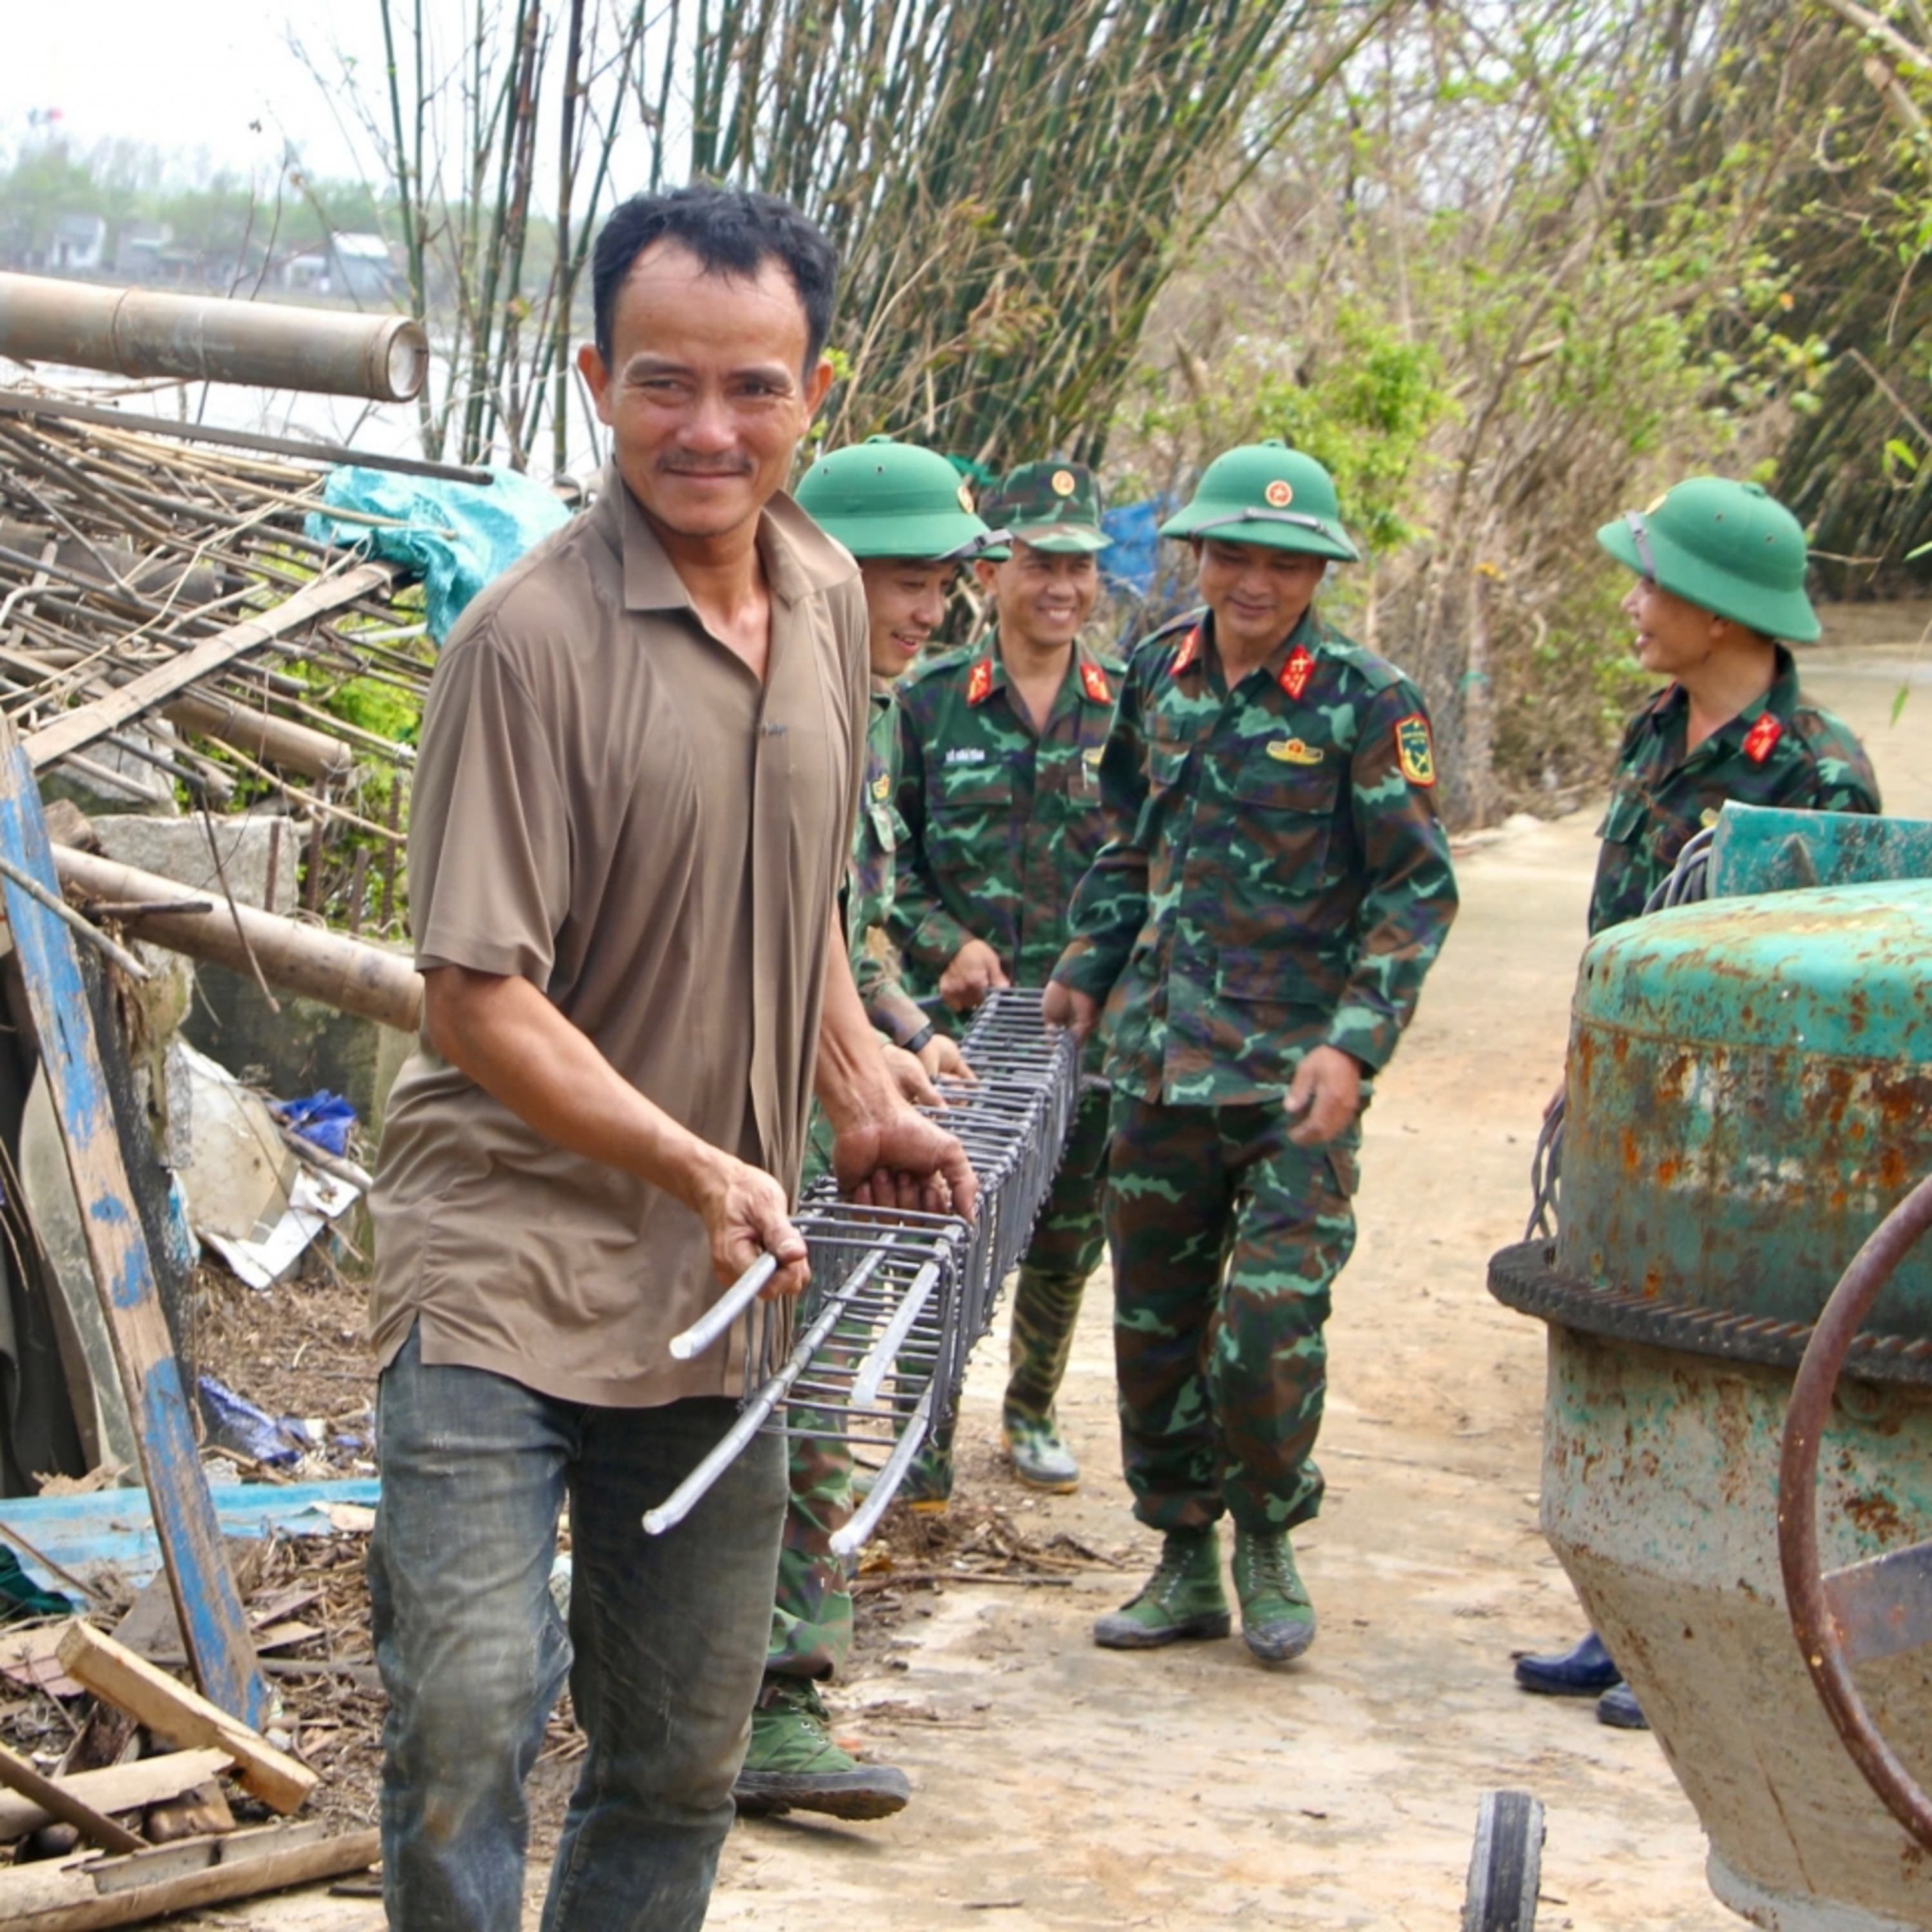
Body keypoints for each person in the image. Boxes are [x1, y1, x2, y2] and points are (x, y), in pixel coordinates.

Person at [364, 187, 972, 1932]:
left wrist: (855, 1090)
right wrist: (705, 1163)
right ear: (593, 382)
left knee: (685, 1751)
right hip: (503, 1258)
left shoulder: (838, 601)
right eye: (664, 383)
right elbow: (477, 997)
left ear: (815, 392)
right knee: (470, 1712)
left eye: (754, 388)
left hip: (717, 1284)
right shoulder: (530, 643)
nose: (709, 430)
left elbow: (803, 902)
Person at [1043, 439, 1459, 1666]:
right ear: (1201, 556)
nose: (1256, 582)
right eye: (1236, 555)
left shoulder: (1365, 700)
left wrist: (1356, 1047)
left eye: (1285, 563)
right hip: (1161, 1061)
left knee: (1267, 1326)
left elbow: (1415, 894)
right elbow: (1128, 844)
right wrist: (1085, 964)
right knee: (1157, 1325)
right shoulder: (1159, 677)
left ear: (1316, 572)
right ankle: (1184, 1557)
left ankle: (1271, 1531)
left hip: (1292, 1079)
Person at [1515, 474, 1880, 1729]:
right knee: (1626, 1360)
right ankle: (1629, 1622)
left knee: (1740, 1377)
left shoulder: (1819, 775)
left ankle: (1722, 1639)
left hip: (1746, 1139)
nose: (1635, 605)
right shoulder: (1653, 733)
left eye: (1653, 584)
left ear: (1721, 611)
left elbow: (1828, 979)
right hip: (1634, 1101)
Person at [734, 436, 998, 1821]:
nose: (930, 615)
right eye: (907, 583)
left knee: (812, 1382)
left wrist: (892, 1035)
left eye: (942, 589)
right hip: (719, 1112)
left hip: (805, 1091)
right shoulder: (761, 689)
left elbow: (849, 919)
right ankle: (754, 1701)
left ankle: (774, 1692)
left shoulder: (868, 701)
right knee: (767, 1396)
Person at [889, 459, 1122, 1496]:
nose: (1060, 587)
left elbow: (1159, 864)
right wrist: (944, 941)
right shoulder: (930, 705)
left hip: (1086, 1029)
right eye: (1039, 563)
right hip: (961, 1032)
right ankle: (923, 1422)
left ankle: (1030, 1407)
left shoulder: (1131, 710)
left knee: (1071, 1230)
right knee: (945, 1224)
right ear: (995, 572)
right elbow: (877, 865)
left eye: (1078, 565)